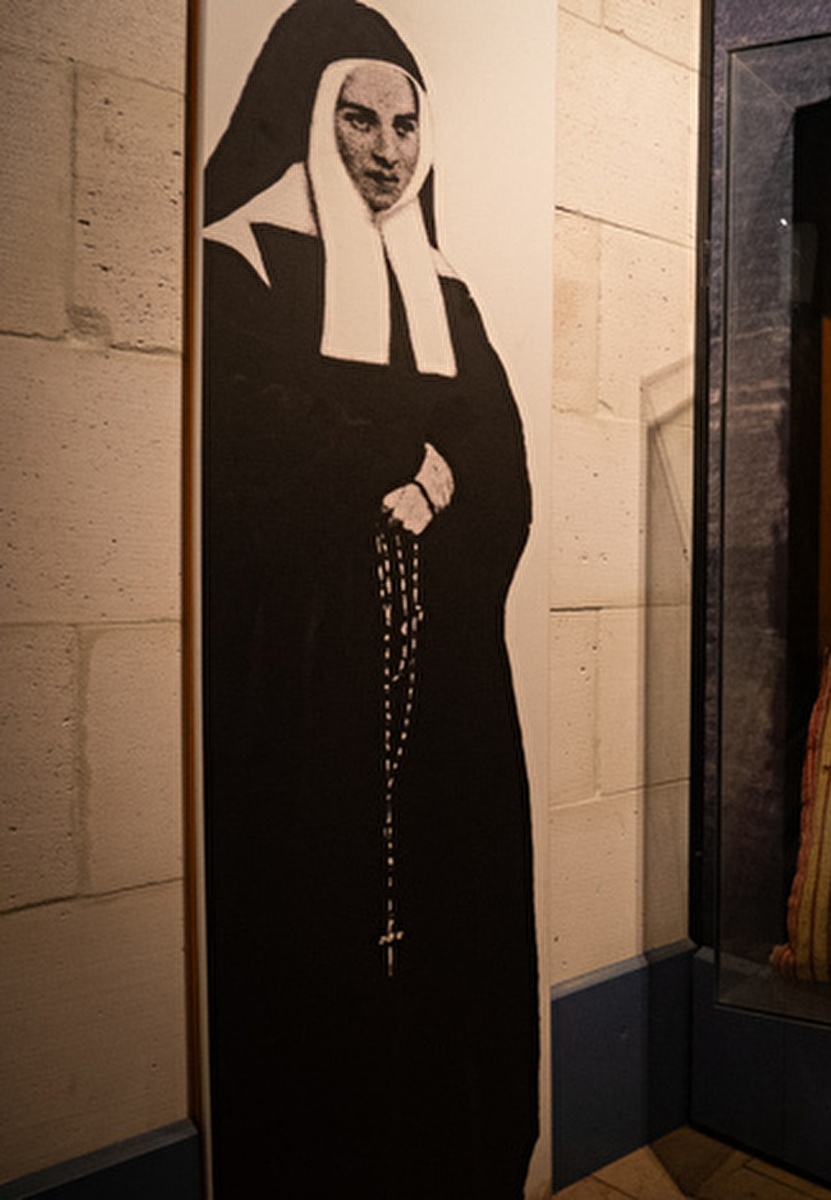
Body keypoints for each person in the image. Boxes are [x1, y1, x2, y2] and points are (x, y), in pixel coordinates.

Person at [200, 3, 536, 1194]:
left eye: (405, 125)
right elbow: (256, 446)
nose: (388, 151)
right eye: (359, 120)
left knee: (446, 920)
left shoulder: (447, 293)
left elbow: (499, 463)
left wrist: (435, 479)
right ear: (308, 120)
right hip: (306, 684)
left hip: (441, 696)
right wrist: (398, 451)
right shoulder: (240, 264)